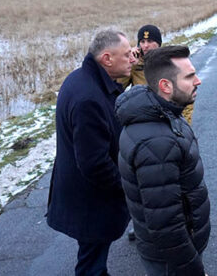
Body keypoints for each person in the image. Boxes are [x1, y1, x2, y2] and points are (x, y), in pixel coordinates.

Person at [116, 45, 210, 276]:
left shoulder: (163, 113)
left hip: (175, 252)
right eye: (189, 76)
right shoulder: (157, 143)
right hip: (172, 261)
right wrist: (192, 269)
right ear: (165, 86)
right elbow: (166, 224)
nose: (198, 81)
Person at [47, 29, 135, 276]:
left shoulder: (82, 79)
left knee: (93, 257)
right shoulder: (89, 98)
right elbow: (94, 164)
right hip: (90, 201)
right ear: (107, 59)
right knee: (91, 264)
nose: (133, 59)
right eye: (127, 54)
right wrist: (128, 186)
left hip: (84, 194)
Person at [120, 24, 195, 124]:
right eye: (142, 42)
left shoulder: (170, 62)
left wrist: (184, 125)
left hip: (168, 121)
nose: (146, 45)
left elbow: (186, 98)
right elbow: (117, 88)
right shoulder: (135, 64)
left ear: (159, 43)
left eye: (150, 41)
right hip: (143, 121)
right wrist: (128, 63)